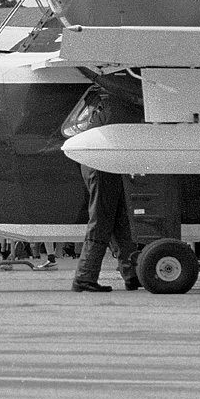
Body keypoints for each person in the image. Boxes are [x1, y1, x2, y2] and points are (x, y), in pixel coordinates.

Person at [64, 85, 142, 293]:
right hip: (103, 163)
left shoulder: (107, 103)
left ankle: (132, 273)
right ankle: (84, 276)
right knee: (102, 219)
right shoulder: (121, 104)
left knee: (119, 220)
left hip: (103, 162)